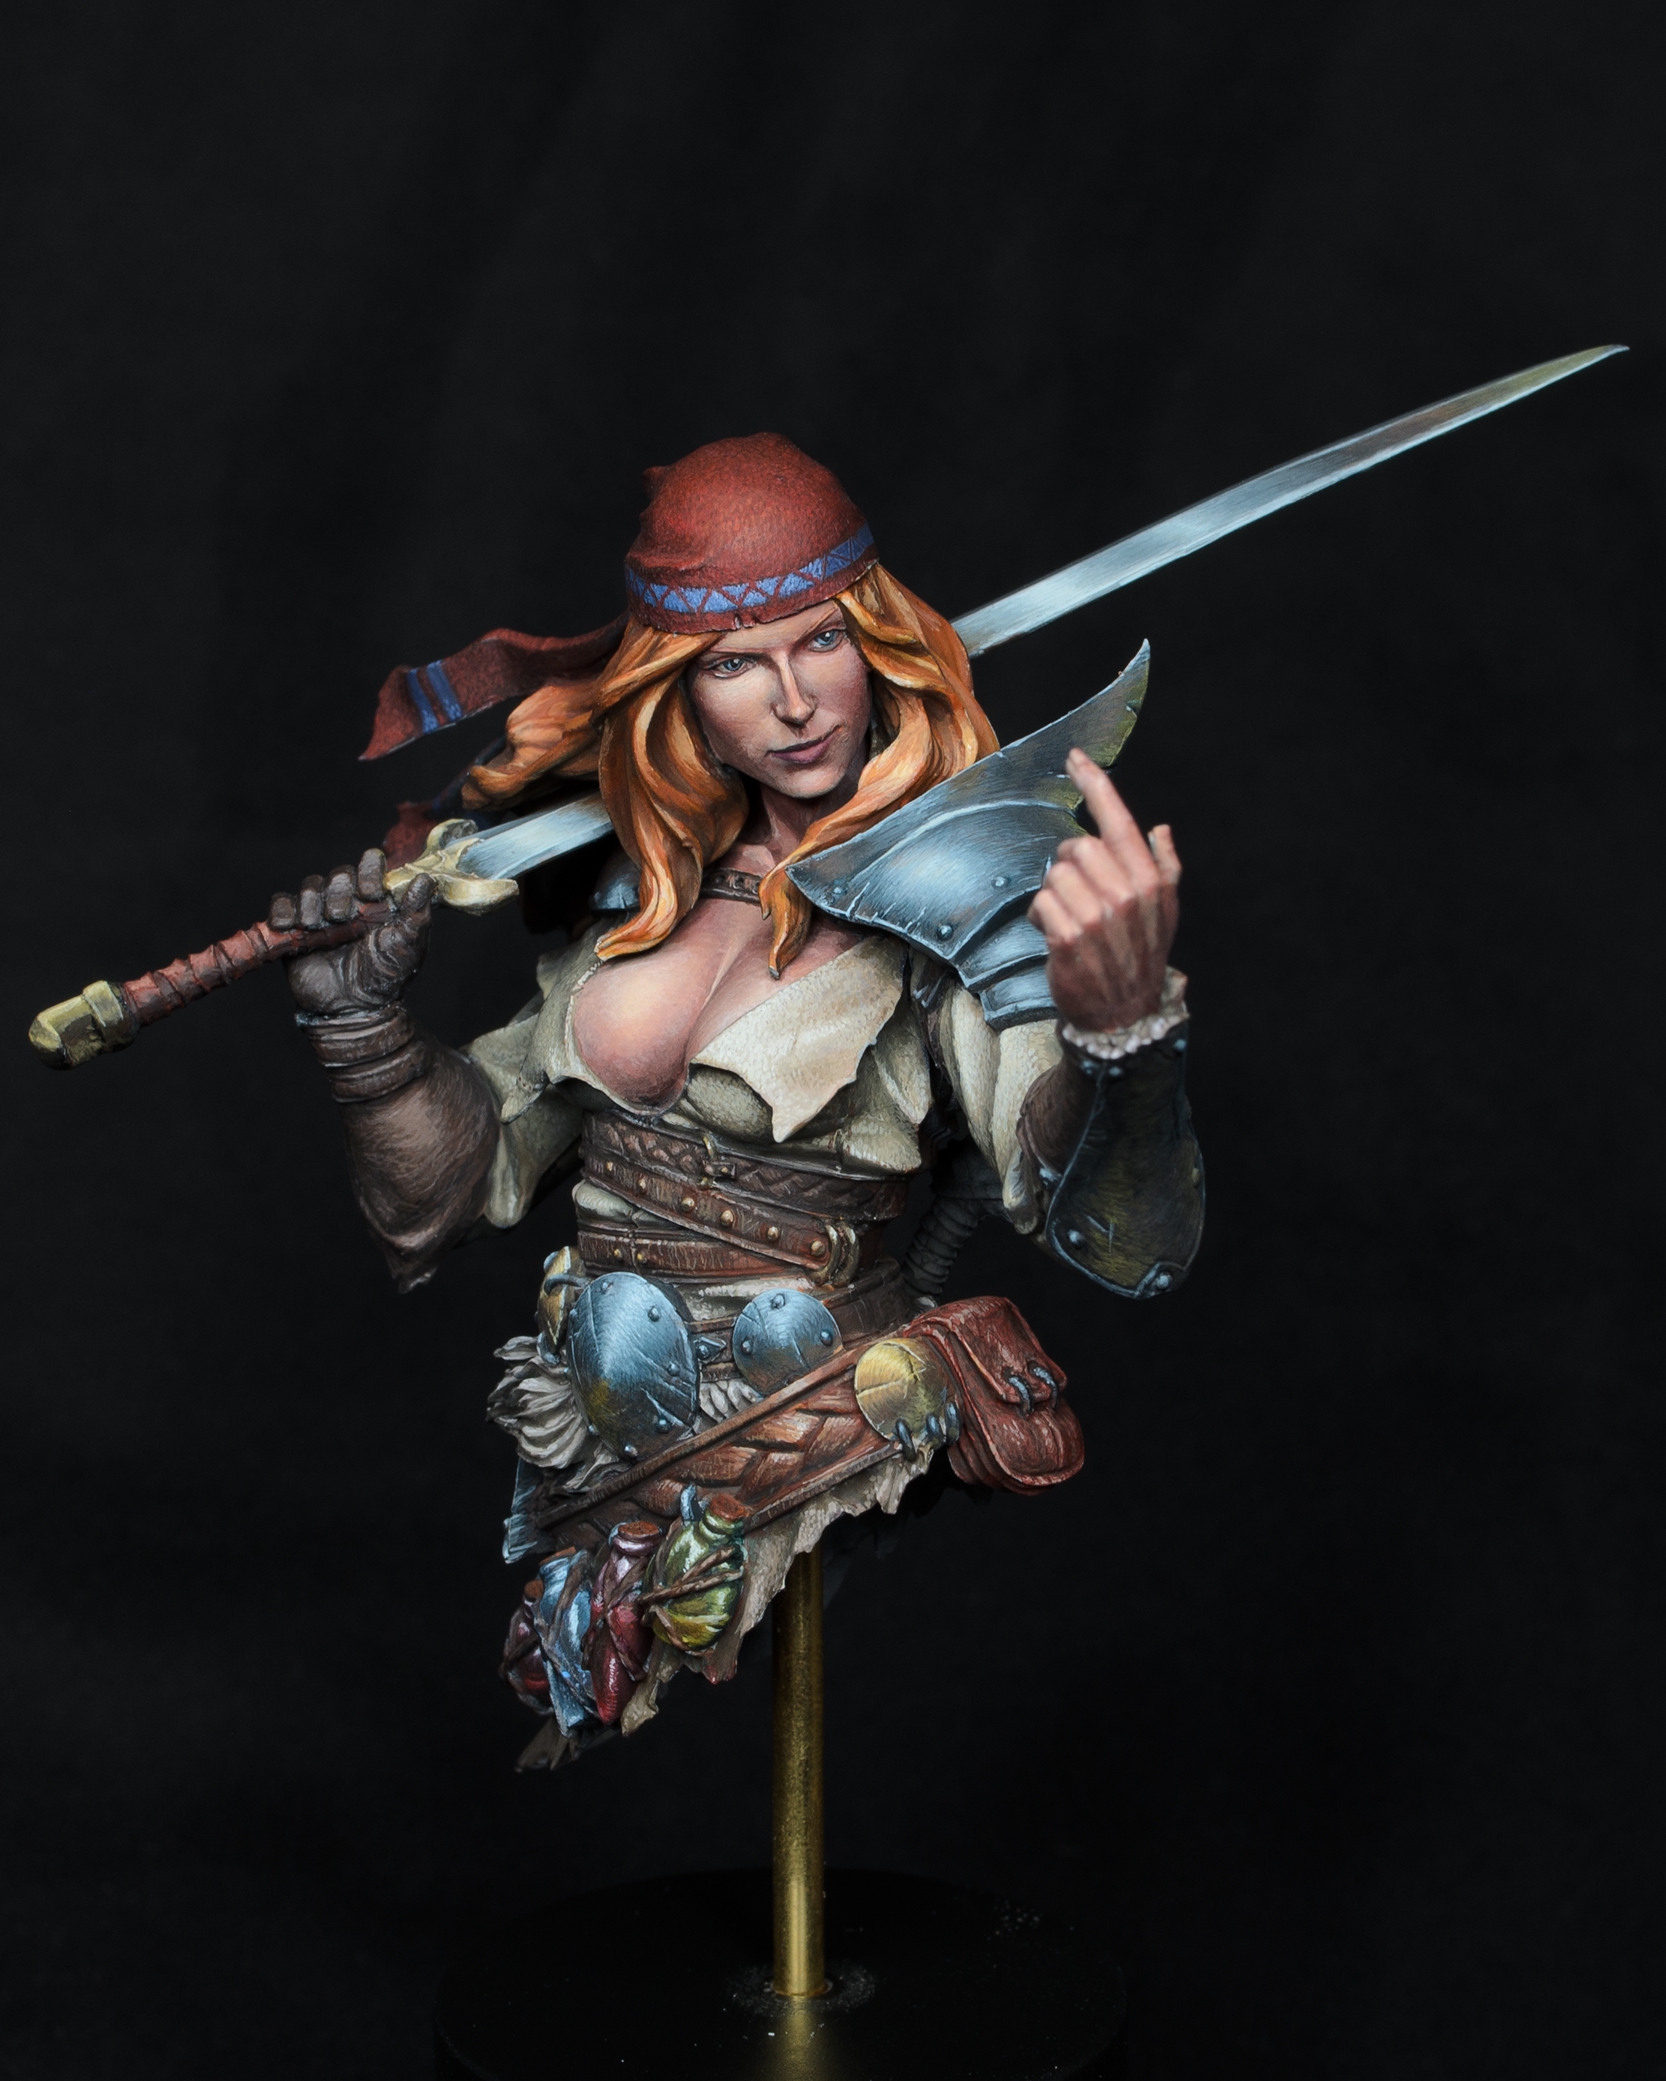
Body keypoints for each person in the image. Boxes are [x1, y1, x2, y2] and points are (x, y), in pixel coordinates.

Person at [270, 434, 1202, 1763]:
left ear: (878, 641)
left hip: (814, 1418)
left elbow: (1119, 1236)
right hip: (600, 1434)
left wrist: (1125, 1039)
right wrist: (360, 1029)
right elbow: (451, 1189)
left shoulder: (963, 886)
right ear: (678, 690)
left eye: (821, 641)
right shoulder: (636, 885)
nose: (795, 702)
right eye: (734, 663)